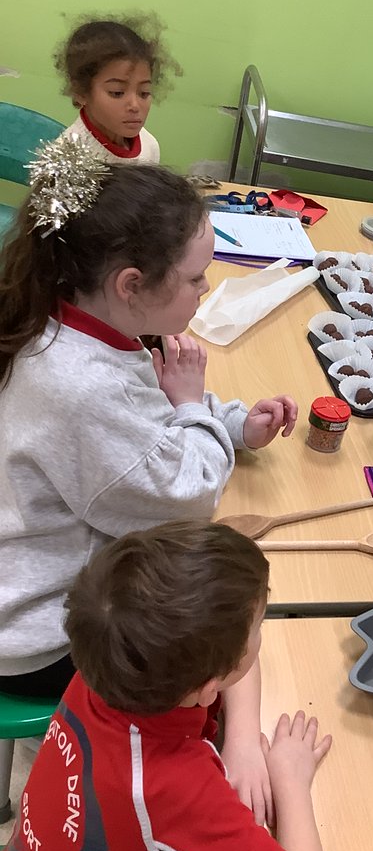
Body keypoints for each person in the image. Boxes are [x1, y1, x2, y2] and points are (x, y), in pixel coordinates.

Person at [0, 134, 296, 814]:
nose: (205, 290)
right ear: (131, 285)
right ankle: (206, 772)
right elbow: (186, 497)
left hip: (25, 574)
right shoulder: (80, 388)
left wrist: (228, 423)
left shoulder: (72, 318)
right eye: (195, 279)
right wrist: (195, 408)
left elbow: (148, 418)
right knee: (227, 612)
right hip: (36, 632)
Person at [0, 521, 331, 851]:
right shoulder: (172, 784)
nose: (259, 636)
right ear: (208, 685)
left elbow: (229, 663)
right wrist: (291, 778)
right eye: (258, 627)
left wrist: (243, 740)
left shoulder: (114, 660)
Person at [52, 14, 181, 164]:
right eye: (117, 93)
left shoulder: (149, 146)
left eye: (144, 93)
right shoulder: (65, 161)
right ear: (81, 92)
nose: (135, 106)